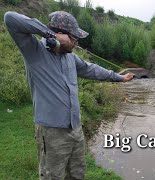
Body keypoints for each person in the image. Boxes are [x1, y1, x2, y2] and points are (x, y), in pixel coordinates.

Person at [4, 11, 134, 179]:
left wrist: (119, 77)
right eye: (74, 38)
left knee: (77, 174)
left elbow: (91, 69)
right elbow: (10, 18)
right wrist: (49, 34)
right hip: (52, 132)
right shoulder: (34, 51)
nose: (76, 42)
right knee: (53, 176)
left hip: (75, 129)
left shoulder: (70, 57)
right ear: (61, 36)